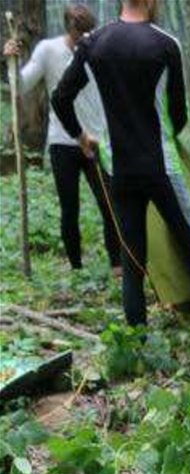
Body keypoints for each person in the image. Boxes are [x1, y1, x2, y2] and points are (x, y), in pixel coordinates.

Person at [51, 0, 190, 350]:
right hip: (162, 167)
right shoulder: (164, 44)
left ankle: (138, 342)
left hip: (119, 168)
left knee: (132, 257)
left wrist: (82, 137)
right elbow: (179, 113)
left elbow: (61, 97)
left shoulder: (93, 43)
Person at [3, 4, 120, 273]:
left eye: (89, 32)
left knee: (110, 204)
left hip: (97, 140)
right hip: (62, 141)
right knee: (70, 208)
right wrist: (11, 61)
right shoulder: (48, 50)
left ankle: (117, 264)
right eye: (80, 33)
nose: (85, 38)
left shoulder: (100, 49)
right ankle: (76, 267)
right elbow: (20, 85)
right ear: (69, 29)